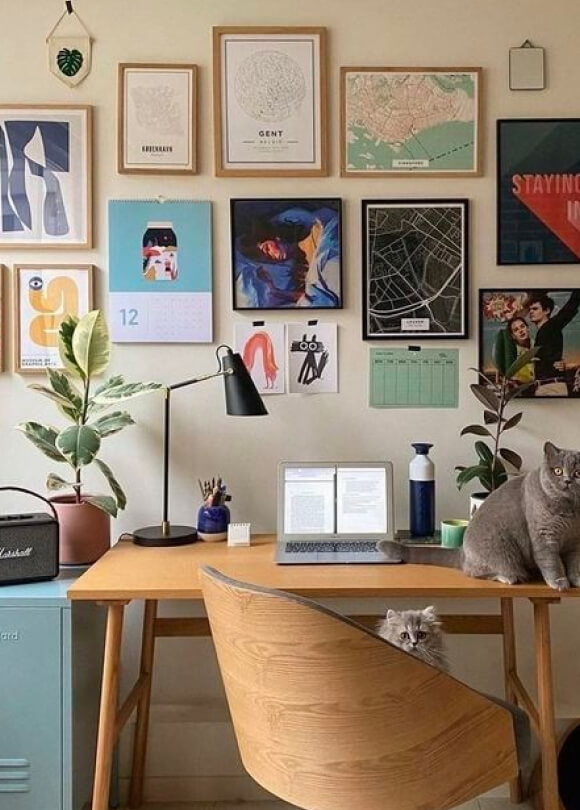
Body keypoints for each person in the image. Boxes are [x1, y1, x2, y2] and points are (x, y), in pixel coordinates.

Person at [234, 205, 340, 308]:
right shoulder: (302, 271)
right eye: (266, 259)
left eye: (267, 248)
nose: (271, 256)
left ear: (276, 237)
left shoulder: (317, 231)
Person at [527, 291, 580, 396]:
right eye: (530, 309)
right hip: (545, 386)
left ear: (546, 310)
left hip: (552, 387)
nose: (531, 312)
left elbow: (568, 309)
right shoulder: (543, 332)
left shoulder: (550, 326)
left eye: (535, 309)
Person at [492, 316, 535, 388]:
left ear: (528, 328)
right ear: (513, 336)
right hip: (517, 387)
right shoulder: (511, 352)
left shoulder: (535, 345)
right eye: (516, 330)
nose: (521, 331)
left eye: (522, 326)